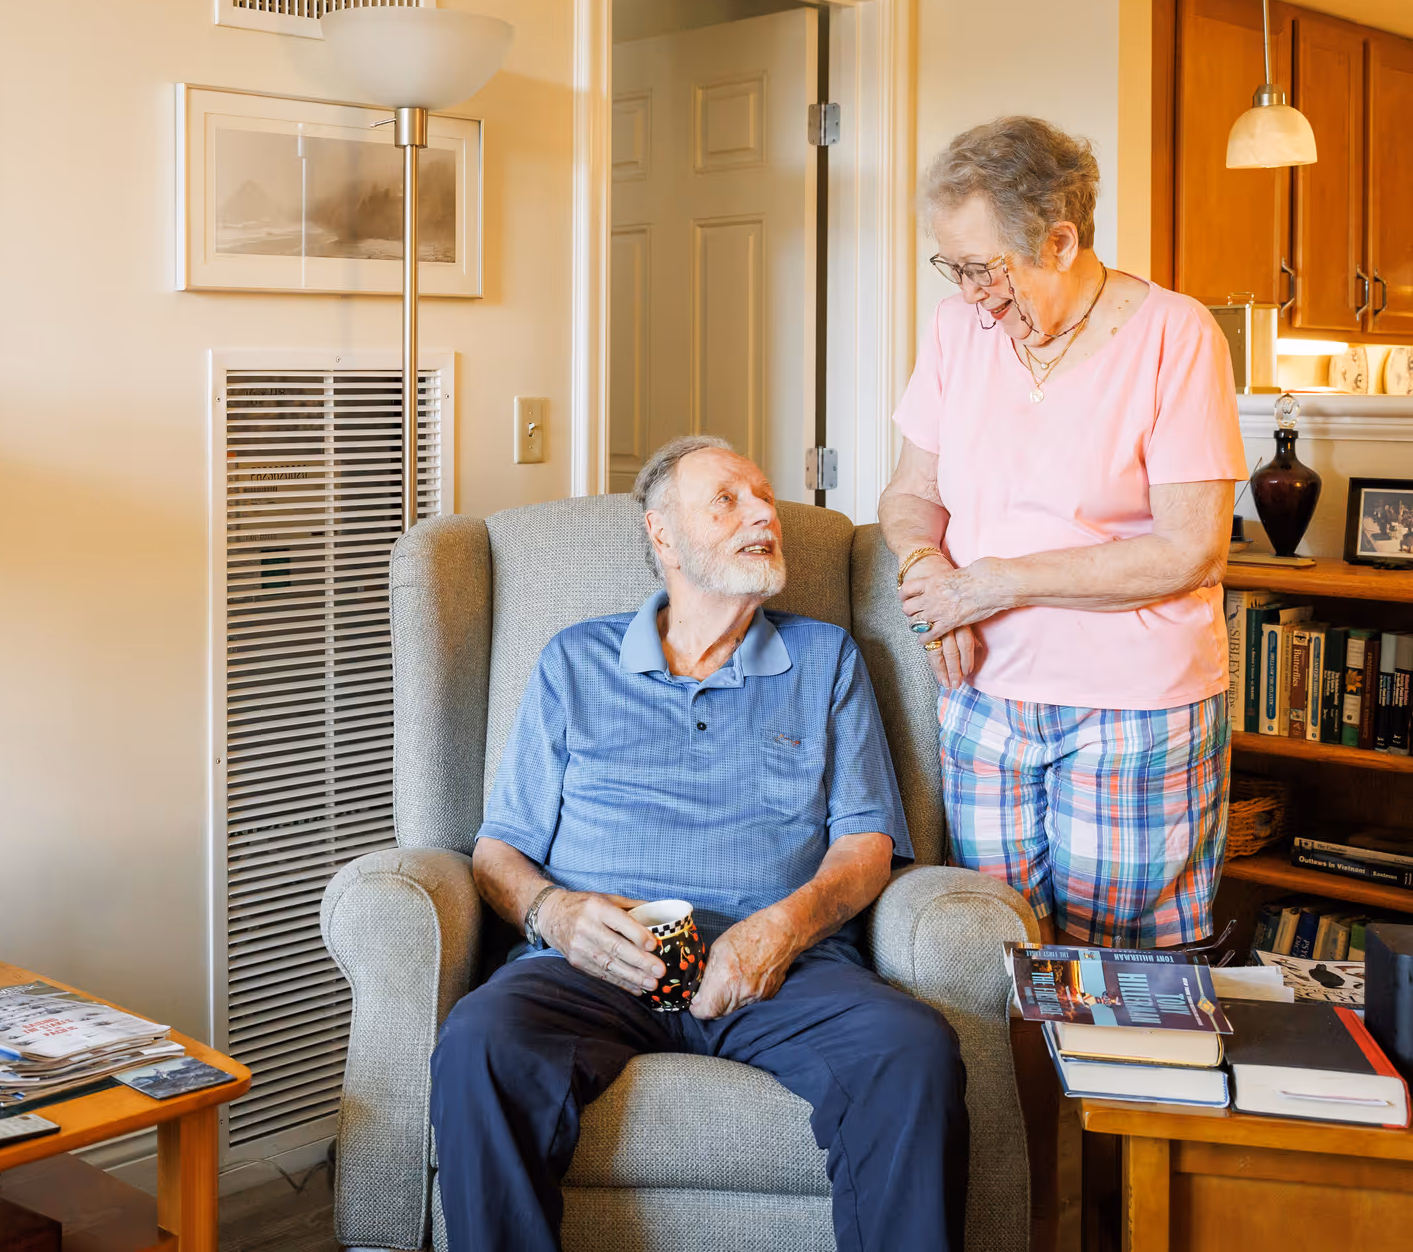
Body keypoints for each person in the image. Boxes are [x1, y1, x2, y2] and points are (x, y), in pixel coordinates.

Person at [429, 435, 968, 1252]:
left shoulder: (825, 660)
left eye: (765, 498)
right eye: (727, 500)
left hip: (780, 962)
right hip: (595, 962)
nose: (764, 514)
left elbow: (865, 843)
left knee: (912, 1050)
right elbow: (498, 848)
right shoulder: (575, 661)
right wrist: (555, 913)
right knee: (479, 1043)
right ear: (662, 535)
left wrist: (779, 931)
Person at [879, 115, 1245, 949]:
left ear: (1059, 239)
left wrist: (994, 582)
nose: (969, 293)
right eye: (955, 268)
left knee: (1122, 981)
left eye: (982, 269)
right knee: (998, 964)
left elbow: (1191, 549)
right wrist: (928, 566)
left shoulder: (1174, 336)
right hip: (986, 705)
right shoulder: (954, 333)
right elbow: (911, 492)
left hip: (1132, 710)